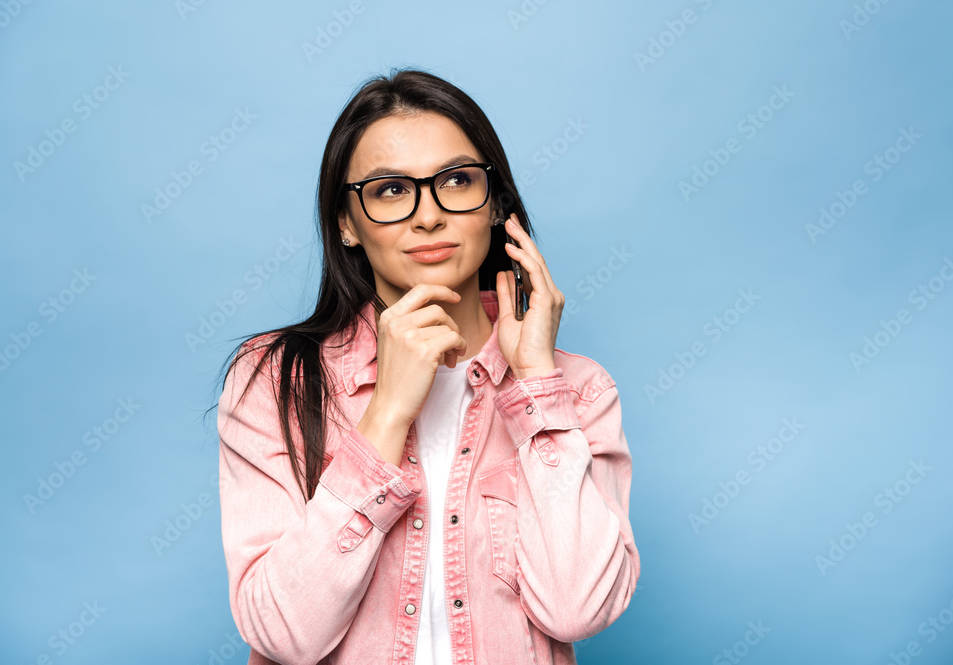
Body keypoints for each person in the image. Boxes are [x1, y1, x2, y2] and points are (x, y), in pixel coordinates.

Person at [215, 67, 640, 665]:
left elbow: (577, 609)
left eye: (457, 181)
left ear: (495, 205)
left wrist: (538, 384)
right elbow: (284, 634)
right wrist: (387, 412)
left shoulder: (579, 388)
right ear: (346, 222)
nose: (428, 215)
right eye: (390, 190)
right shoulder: (278, 381)